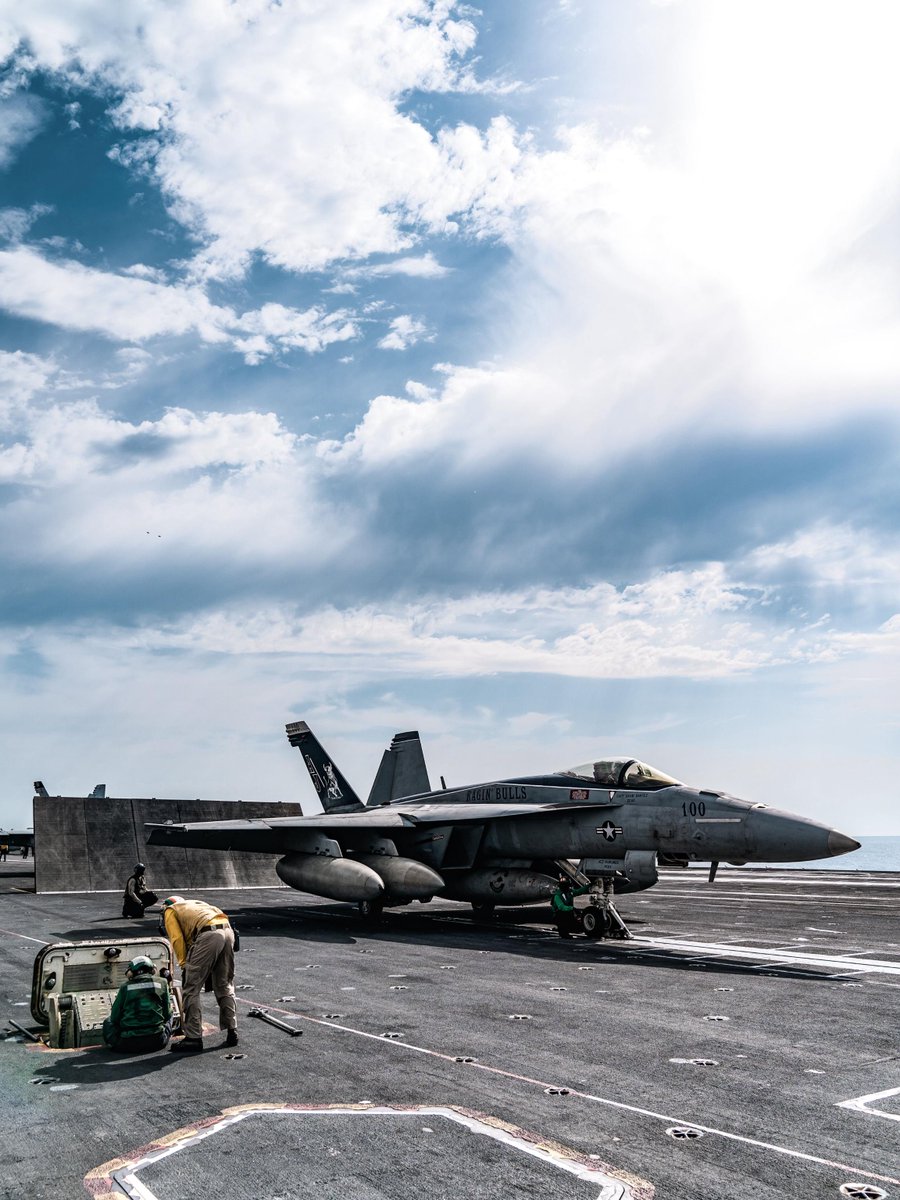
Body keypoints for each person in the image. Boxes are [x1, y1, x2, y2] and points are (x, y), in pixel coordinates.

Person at [162, 895, 238, 1053]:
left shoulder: (171, 910)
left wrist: (184, 965)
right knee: (224, 984)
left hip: (208, 935)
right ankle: (232, 1030)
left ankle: (193, 1038)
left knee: (191, 989)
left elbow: (177, 939)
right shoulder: (197, 904)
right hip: (227, 931)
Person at [102, 955, 173, 1053]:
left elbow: (114, 1017)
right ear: (153, 970)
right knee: (171, 1014)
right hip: (157, 1041)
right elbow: (167, 1014)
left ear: (130, 973)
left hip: (129, 1044)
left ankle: (112, 1045)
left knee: (108, 1021)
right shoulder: (163, 983)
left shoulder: (125, 987)